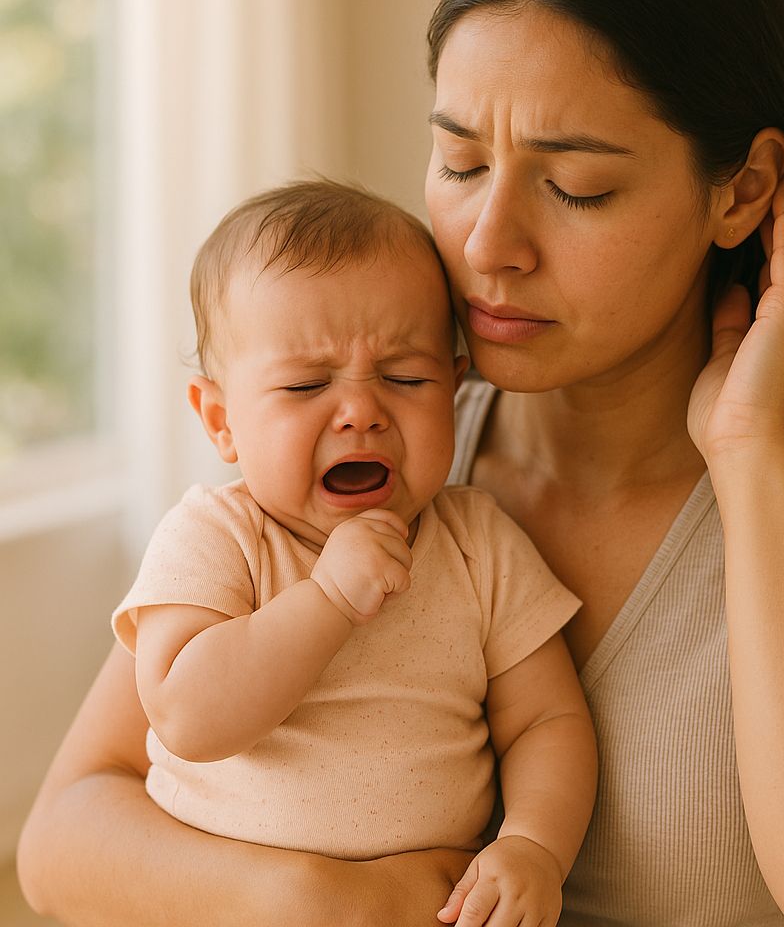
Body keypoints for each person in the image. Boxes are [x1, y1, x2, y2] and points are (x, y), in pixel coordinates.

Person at [18, 0, 784, 926]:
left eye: (574, 186)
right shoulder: (374, 442)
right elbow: (61, 842)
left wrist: (750, 463)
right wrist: (323, 900)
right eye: (459, 164)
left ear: (742, 190)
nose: (489, 242)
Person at [108, 178, 595, 926]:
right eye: (306, 385)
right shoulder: (217, 536)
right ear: (221, 419)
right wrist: (327, 601)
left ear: (455, 394)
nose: (362, 412)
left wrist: (534, 843)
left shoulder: (477, 543)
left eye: (406, 379)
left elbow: (546, 722)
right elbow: (184, 715)